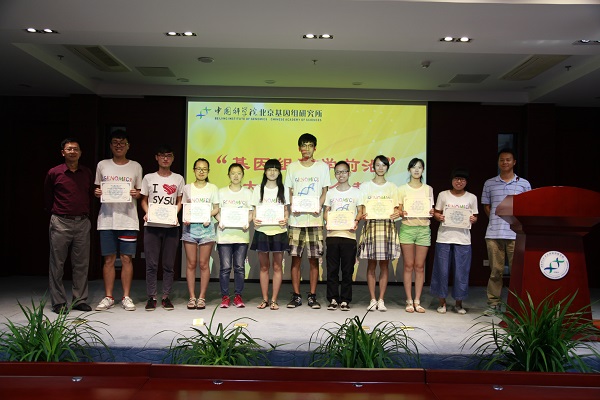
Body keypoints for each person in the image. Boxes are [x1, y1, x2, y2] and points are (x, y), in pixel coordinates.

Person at [44, 138, 94, 314]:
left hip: (82, 222)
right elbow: (48, 197)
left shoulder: (86, 172)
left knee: (81, 264)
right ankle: (58, 302)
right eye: (69, 149)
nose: (73, 152)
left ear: (80, 153)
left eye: (76, 149)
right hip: (60, 221)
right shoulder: (54, 172)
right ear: (62, 152)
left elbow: (90, 195)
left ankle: (79, 300)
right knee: (57, 264)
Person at [94, 130, 143, 311]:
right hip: (106, 219)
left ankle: (126, 296)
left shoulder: (135, 166)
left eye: (122, 143)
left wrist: (136, 193)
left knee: (126, 259)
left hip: (128, 219)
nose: (119, 145)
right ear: (110, 145)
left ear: (128, 146)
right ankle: (108, 296)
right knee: (108, 259)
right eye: (115, 142)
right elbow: (98, 189)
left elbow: (140, 192)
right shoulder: (102, 165)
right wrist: (97, 192)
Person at [285, 133, 331, 309]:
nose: (306, 149)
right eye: (303, 145)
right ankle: (296, 296)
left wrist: (319, 205)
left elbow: (325, 191)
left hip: (315, 220)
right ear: (299, 148)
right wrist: (292, 206)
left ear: (315, 148)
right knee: (295, 259)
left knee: (314, 260)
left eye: (310, 145)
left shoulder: (322, 167)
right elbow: (289, 191)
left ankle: (312, 296)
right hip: (296, 221)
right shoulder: (292, 167)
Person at [482, 148, 531, 313]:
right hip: (493, 233)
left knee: (518, 272)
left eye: (508, 159)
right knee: (496, 271)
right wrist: (497, 220)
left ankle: (517, 306)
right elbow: (487, 207)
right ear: (498, 162)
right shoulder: (489, 183)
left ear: (514, 162)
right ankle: (493, 304)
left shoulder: (524, 184)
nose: (505, 162)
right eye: (502, 160)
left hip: (516, 235)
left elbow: (527, 208)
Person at [140, 144, 184, 311]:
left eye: (169, 155)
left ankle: (166, 296)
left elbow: (179, 201)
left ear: (173, 158)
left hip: (171, 226)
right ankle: (151, 297)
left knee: (168, 264)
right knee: (151, 264)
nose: (165, 158)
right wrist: (147, 212)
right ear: (157, 157)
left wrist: (174, 214)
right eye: (162, 155)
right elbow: (144, 200)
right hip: (152, 225)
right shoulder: (148, 178)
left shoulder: (178, 178)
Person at [430, 168, 478, 315]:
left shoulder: (472, 197)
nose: (459, 182)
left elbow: (475, 216)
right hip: (444, 238)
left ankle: (458, 303)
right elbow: (436, 213)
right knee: (442, 271)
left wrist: (473, 219)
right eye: (456, 179)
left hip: (463, 240)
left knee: (461, 273)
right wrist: (438, 217)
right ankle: (442, 303)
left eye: (462, 179)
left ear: (466, 182)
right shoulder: (443, 195)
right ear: (452, 180)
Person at [357, 155, 401, 312]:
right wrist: (362, 214)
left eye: (383, 165)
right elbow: (362, 207)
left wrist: (397, 213)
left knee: (384, 265)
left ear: (387, 167)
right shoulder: (365, 186)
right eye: (377, 165)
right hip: (371, 226)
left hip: (387, 227)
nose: (380, 168)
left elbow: (396, 209)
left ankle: (381, 299)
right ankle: (372, 299)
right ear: (373, 167)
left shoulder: (392, 187)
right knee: (371, 264)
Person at [251, 159, 290, 310]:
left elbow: (286, 210)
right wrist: (254, 219)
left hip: (279, 231)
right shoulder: (258, 188)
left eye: (275, 169)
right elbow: (254, 210)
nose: (272, 172)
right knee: (264, 267)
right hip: (262, 230)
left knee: (277, 266)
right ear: (265, 171)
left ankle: (274, 300)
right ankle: (265, 299)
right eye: (269, 169)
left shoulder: (283, 189)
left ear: (279, 172)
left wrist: (285, 219)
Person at [324, 161, 363, 311]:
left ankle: (345, 299)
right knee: (332, 269)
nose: (341, 175)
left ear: (349, 173)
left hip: (349, 236)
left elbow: (360, 211)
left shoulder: (356, 192)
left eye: (344, 171)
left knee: (347, 270)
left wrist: (356, 221)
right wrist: (327, 220)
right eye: (338, 172)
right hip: (333, 235)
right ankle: (333, 298)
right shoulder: (330, 193)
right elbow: (326, 211)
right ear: (335, 174)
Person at [181, 158, 219, 310]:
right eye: (199, 169)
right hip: (190, 229)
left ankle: (202, 297)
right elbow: (185, 207)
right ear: (194, 170)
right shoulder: (187, 188)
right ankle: (192, 297)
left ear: (208, 171)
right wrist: (186, 217)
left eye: (204, 169)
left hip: (206, 229)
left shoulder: (212, 188)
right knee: (191, 263)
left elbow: (216, 208)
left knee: (204, 263)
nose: (201, 171)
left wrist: (208, 215)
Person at [398, 158, 434, 314]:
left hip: (424, 229)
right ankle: (408, 300)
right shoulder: (402, 189)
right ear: (409, 170)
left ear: (423, 170)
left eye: (419, 167)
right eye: (413, 167)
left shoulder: (428, 189)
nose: (417, 170)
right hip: (407, 228)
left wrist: (431, 211)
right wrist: (401, 212)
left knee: (420, 266)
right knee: (408, 265)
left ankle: (417, 300)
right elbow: (398, 209)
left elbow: (430, 208)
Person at [215, 163, 253, 309]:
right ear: (228, 175)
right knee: (225, 268)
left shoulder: (248, 193)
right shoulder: (221, 192)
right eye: (233, 173)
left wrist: (247, 221)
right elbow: (216, 210)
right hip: (224, 236)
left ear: (242, 175)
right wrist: (220, 220)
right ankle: (225, 297)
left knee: (239, 267)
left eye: (238, 173)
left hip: (241, 236)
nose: (236, 176)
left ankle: (238, 296)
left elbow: (251, 212)